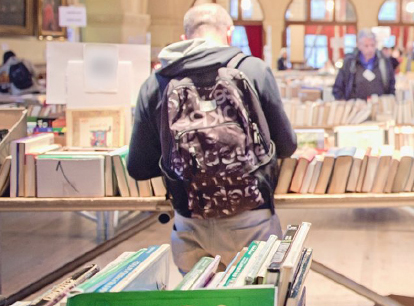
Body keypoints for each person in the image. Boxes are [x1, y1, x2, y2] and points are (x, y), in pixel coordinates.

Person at [126, 4, 297, 273]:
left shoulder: (156, 82)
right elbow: (287, 145)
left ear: (185, 38)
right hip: (253, 217)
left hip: (190, 220)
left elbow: (137, 167)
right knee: (258, 305)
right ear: (229, 33)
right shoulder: (253, 70)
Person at [332, 29, 397, 100]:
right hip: (356, 107)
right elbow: (337, 88)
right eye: (366, 46)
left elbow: (391, 86)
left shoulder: (384, 61)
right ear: (359, 45)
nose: (370, 49)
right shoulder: (349, 62)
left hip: (379, 106)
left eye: (372, 45)